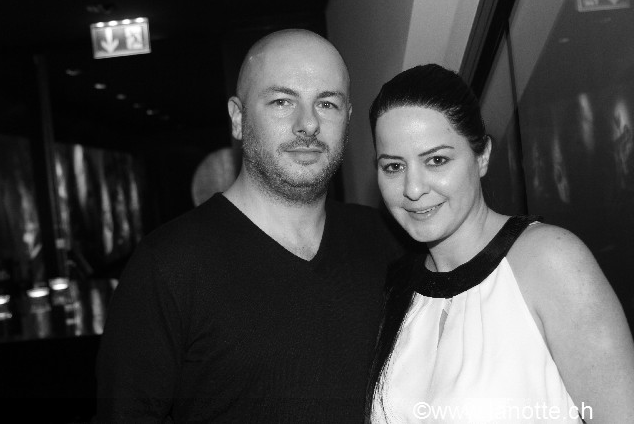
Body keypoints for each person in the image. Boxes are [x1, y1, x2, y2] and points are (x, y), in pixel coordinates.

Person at [94, 29, 402, 423]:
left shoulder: (388, 242)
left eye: (327, 103)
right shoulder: (168, 266)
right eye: (282, 101)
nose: (308, 123)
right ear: (238, 119)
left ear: (348, 119)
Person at [366, 64, 634, 423]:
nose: (413, 189)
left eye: (437, 160)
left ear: (482, 156)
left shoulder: (549, 261)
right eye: (393, 167)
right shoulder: (394, 286)